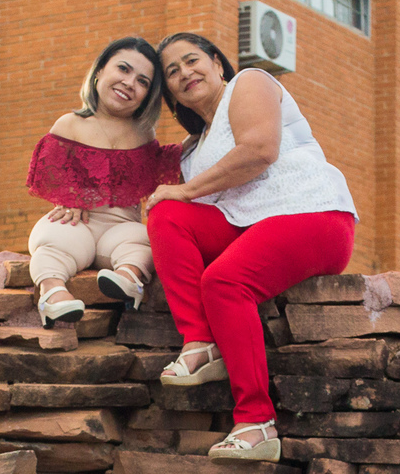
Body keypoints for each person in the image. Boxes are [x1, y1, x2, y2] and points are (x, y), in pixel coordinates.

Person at [146, 32, 358, 462]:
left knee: (223, 280)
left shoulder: (251, 82)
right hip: (250, 226)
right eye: (173, 71)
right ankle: (200, 344)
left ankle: (257, 424)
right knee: (166, 215)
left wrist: (184, 191)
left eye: (192, 60)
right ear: (169, 93)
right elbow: (149, 187)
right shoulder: (192, 151)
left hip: (311, 214)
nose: (185, 72)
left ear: (217, 64)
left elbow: (260, 150)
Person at [26, 37, 181, 328]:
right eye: (122, 69)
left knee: (149, 240)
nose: (129, 83)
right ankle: (52, 293)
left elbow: (156, 170)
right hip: (76, 224)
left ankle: (128, 277)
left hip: (121, 229)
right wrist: (69, 196)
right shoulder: (69, 124)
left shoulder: (144, 134)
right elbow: (51, 173)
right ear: (99, 71)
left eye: (143, 81)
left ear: (148, 95)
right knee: (51, 240)